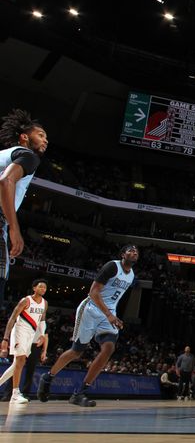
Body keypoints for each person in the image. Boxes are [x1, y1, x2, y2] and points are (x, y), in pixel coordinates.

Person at [37, 244, 138, 406]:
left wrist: (113, 315)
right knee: (76, 352)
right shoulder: (112, 267)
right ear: (122, 254)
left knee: (109, 348)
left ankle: (80, 392)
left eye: (136, 252)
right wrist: (109, 315)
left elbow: (114, 297)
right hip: (91, 309)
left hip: (108, 313)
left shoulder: (132, 275)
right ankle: (48, 377)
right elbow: (93, 292)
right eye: (130, 251)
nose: (134, 253)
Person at [0, 109, 47, 304]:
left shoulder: (4, 154)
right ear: (24, 137)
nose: (45, 140)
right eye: (41, 135)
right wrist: (14, 227)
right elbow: (6, 181)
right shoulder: (29, 156)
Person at [0, 278, 48, 403]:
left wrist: (42, 335)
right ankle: (15, 393)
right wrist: (5, 338)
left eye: (45, 287)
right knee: (20, 360)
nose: (43, 289)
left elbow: (42, 320)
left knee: (17, 364)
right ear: (34, 288)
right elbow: (12, 318)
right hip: (20, 331)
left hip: (31, 334)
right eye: (40, 286)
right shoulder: (26, 301)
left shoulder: (44, 303)